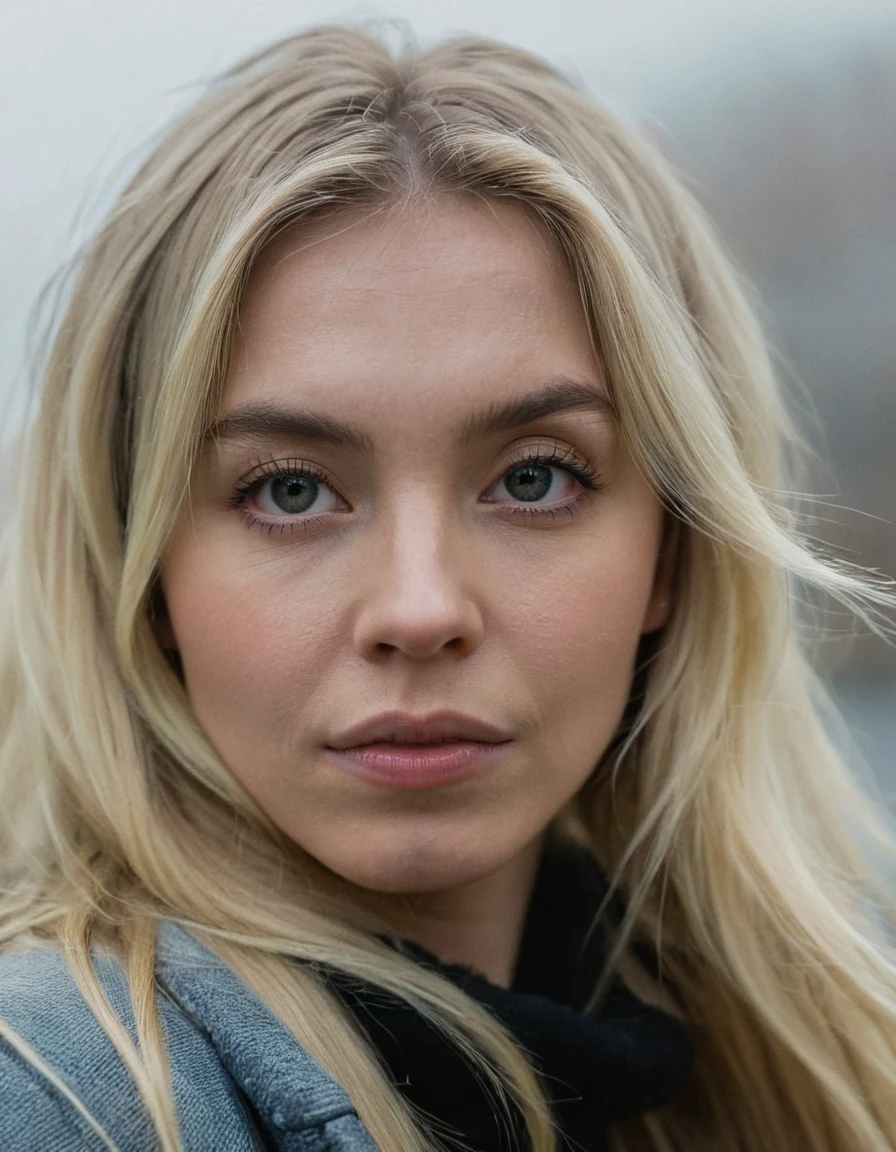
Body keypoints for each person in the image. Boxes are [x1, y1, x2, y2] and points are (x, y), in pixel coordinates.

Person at [0, 23, 894, 1152]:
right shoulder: (53, 1099)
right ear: (144, 573)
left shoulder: (778, 1086)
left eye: (532, 478)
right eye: (288, 492)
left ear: (670, 553)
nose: (419, 609)